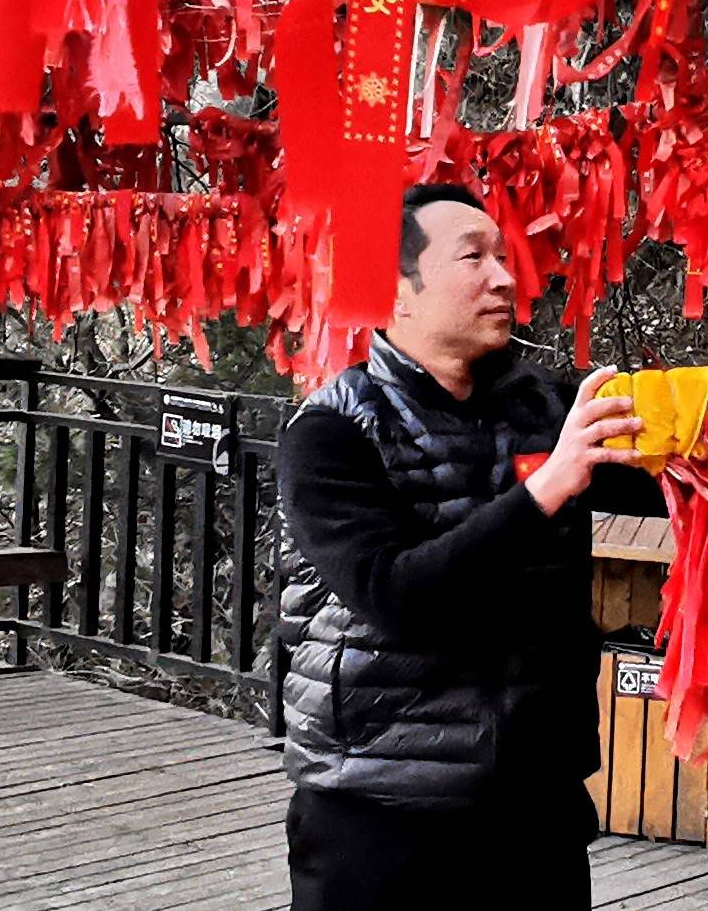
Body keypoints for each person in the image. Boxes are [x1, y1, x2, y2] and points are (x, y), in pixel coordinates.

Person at [277, 182, 654, 911]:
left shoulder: (546, 410)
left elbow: (676, 489)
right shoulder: (331, 433)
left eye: (505, 257)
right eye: (473, 256)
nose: (505, 277)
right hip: (382, 811)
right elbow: (396, 595)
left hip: (533, 807)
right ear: (401, 292)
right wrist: (548, 489)